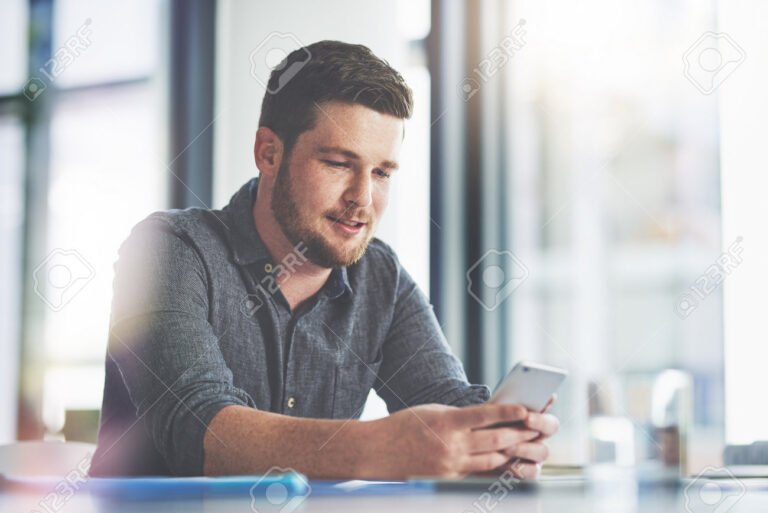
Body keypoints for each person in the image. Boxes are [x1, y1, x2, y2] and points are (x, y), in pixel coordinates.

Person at [90, 40, 558, 479]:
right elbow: (198, 427)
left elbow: (445, 403)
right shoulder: (168, 250)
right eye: (338, 164)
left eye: (381, 173)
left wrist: (492, 443)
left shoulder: (381, 277)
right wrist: (378, 448)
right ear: (269, 153)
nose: (363, 198)